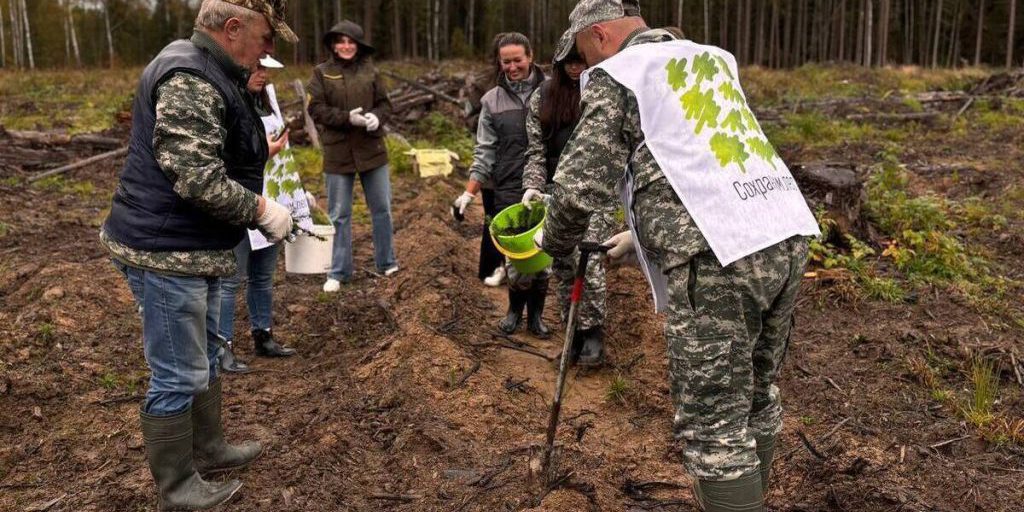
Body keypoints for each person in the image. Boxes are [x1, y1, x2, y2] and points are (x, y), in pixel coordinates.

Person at [539, 1, 820, 511]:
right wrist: (638, 238)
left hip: (720, 255)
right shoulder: (709, 57)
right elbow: (697, 152)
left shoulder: (620, 71)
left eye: (583, 53)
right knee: (758, 393)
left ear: (599, 35)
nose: (585, 67)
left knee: (714, 421)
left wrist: (551, 243)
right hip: (784, 230)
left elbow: (580, 186)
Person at [99, 0, 298, 509]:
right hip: (166, 250)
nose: (269, 52)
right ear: (233, 29)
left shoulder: (217, 70)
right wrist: (260, 209)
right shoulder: (190, 76)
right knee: (176, 370)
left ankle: (208, 446)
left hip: (195, 246)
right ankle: (176, 487)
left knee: (205, 356)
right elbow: (196, 178)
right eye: (266, 39)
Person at [521, 32, 612, 365]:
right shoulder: (542, 97)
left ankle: (593, 334)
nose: (576, 68)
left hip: (598, 192)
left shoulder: (602, 93)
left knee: (589, 259)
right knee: (560, 260)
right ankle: (572, 331)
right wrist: (533, 185)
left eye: (581, 61)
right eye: (569, 62)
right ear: (559, 64)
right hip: (556, 189)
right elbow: (535, 150)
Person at [452, 32, 549, 337]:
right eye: (505, 61)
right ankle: (513, 312)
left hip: (546, 186)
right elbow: (484, 152)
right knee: (516, 257)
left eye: (517, 60)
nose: (512, 67)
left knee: (542, 258)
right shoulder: (491, 101)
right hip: (508, 187)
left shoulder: (551, 92)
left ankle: (537, 317)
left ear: (530, 56)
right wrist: (469, 192)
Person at [218, 54, 298, 374]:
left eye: (265, 69)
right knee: (230, 277)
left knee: (263, 273)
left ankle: (263, 335)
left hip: (272, 193)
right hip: (238, 198)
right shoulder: (224, 101)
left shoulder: (267, 100)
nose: (262, 74)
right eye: (256, 68)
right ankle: (221, 345)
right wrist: (266, 149)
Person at [307, 19, 398, 293]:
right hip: (338, 152)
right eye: (341, 41)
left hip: (372, 150)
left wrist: (375, 118)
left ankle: (387, 262)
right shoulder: (321, 73)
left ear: (358, 46)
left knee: (381, 208)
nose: (346, 46)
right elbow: (317, 110)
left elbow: (385, 104)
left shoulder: (371, 71)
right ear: (333, 45)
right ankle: (338, 271)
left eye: (351, 42)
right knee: (340, 213)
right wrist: (348, 118)